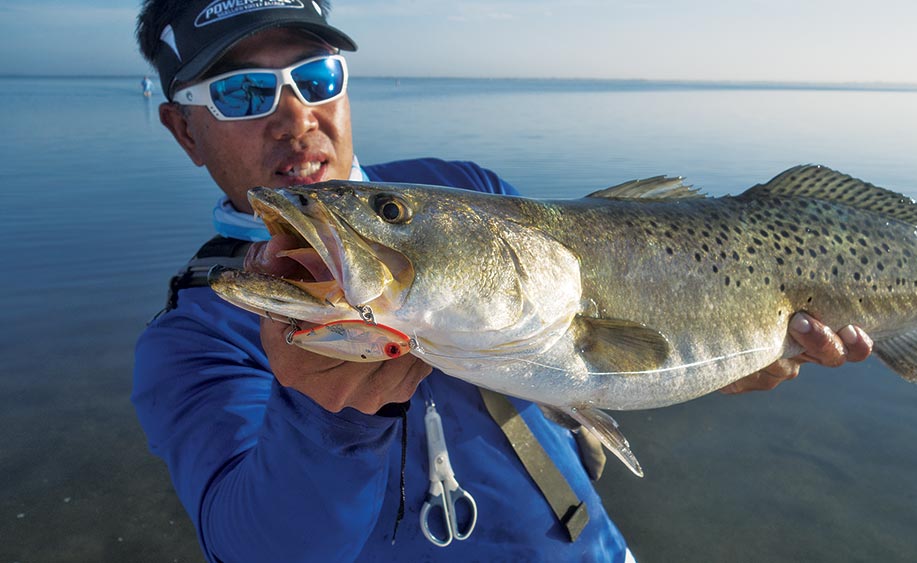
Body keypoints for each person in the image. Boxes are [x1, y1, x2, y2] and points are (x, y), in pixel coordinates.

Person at [132, 1, 874, 561]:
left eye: (317, 77)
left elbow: (573, 351)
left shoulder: (462, 187)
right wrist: (324, 418)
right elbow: (256, 545)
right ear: (182, 129)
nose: (297, 118)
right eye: (241, 93)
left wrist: (720, 361)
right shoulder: (195, 338)